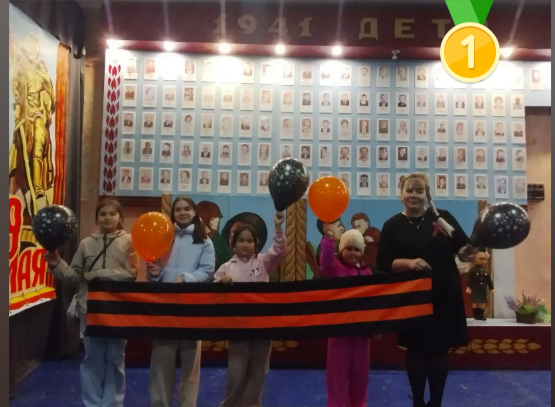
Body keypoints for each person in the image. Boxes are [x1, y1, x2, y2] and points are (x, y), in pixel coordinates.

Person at [377, 173, 476, 407]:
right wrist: (409, 263)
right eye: (409, 190)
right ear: (401, 195)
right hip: (412, 297)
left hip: (444, 295)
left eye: (419, 191)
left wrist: (468, 252)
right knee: (416, 351)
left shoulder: (443, 218)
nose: (414, 195)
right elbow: (383, 263)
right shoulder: (392, 225)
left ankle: (436, 402)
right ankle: (418, 402)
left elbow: (462, 249)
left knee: (440, 351)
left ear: (427, 195)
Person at [44, 200, 139, 407]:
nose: (107, 217)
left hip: (117, 309)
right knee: (92, 358)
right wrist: (57, 264)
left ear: (120, 217)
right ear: (97, 218)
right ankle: (92, 403)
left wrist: (98, 274)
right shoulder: (86, 243)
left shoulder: (129, 241)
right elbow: (75, 277)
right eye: (103, 214)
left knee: (115, 358)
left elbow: (131, 273)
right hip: (90, 308)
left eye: (112, 213)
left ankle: (113, 403)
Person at [146, 197, 215, 407]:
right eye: (178, 210)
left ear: (194, 212)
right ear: (173, 214)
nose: (183, 213)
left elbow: (207, 272)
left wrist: (184, 279)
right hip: (165, 306)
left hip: (191, 306)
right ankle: (160, 403)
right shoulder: (164, 238)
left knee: (190, 363)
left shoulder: (204, 241)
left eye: (187, 209)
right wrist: (155, 274)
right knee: (161, 360)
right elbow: (155, 271)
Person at [215, 212, 286, 407]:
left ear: (256, 244)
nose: (245, 244)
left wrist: (278, 227)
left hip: (262, 328)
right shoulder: (225, 268)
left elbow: (279, 250)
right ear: (233, 244)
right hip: (237, 329)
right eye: (241, 240)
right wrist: (221, 282)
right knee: (236, 372)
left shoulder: (263, 263)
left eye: (249, 241)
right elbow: (214, 292)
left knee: (259, 371)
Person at [320, 226, 373, 407]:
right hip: (340, 332)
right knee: (337, 373)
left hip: (362, 333)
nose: (352, 252)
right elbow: (325, 263)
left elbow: (373, 301)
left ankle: (359, 403)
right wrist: (328, 240)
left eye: (357, 249)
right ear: (341, 249)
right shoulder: (336, 269)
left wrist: (376, 325)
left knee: (360, 374)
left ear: (362, 252)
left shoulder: (367, 272)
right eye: (348, 248)